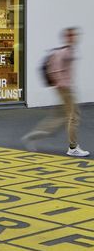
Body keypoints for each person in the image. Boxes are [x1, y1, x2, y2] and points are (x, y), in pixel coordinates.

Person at [23, 27, 90, 157]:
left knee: (60, 118)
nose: (75, 38)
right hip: (65, 89)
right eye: (72, 35)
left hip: (65, 88)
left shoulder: (69, 50)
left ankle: (33, 136)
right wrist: (60, 83)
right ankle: (73, 147)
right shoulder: (64, 52)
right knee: (73, 117)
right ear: (68, 37)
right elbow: (55, 70)